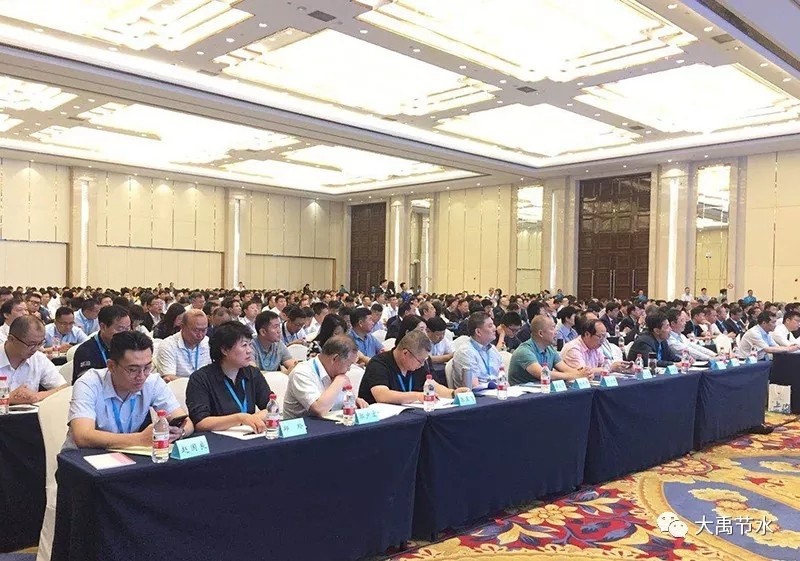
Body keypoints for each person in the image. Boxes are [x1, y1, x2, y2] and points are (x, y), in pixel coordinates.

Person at [64, 330, 193, 449]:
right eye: (133, 370)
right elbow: (83, 436)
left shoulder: (152, 382)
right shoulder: (88, 384)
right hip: (83, 458)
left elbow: (187, 423)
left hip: (126, 454)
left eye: (147, 368)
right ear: (111, 366)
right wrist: (139, 439)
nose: (141, 376)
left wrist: (179, 432)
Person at [186, 321, 273, 433]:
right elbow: (201, 423)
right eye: (244, 345)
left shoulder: (252, 373)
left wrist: (253, 418)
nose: (249, 351)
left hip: (249, 435)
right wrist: (240, 418)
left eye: (250, 345)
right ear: (224, 350)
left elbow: (271, 406)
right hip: (217, 439)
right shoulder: (200, 379)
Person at [359, 330, 468, 404]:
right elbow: (382, 395)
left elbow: (432, 385)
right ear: (405, 353)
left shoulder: (417, 365)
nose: (422, 364)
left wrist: (453, 393)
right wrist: (418, 396)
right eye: (420, 361)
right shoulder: (378, 363)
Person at [283, 336, 369, 419]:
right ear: (335, 358)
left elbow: (343, 402)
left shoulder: (336, 374)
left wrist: (354, 402)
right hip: (304, 427)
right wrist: (339, 382)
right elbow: (319, 410)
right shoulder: (302, 373)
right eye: (348, 365)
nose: (349, 369)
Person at [2, 316, 68, 405]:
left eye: (40, 343)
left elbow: (64, 388)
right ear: (12, 339)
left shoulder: (38, 358)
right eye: (31, 344)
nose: (36, 349)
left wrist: (38, 396)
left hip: (29, 413)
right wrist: (8, 398)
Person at [509, 315, 588, 385]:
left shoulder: (550, 349)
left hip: (543, 392)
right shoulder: (524, 351)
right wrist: (576, 375)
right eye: (553, 328)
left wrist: (583, 373)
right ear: (541, 333)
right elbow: (543, 374)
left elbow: (566, 369)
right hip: (523, 395)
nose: (556, 332)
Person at [72, 305, 131, 383]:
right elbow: (87, 383)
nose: (125, 334)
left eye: (128, 328)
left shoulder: (130, 346)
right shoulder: (86, 351)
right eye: (120, 329)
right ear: (103, 327)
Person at [154, 309, 211, 381]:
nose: (200, 335)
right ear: (182, 326)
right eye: (196, 330)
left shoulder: (207, 342)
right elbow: (168, 378)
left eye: (204, 330)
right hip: (179, 387)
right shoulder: (168, 345)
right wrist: (197, 384)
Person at [560, 318, 631, 375]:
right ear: (587, 334)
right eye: (600, 336)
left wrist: (622, 367)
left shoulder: (595, 347)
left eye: (604, 337)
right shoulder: (573, 348)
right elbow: (583, 372)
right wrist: (610, 368)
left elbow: (604, 364)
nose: (602, 340)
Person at [451, 311, 503, 388]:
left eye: (493, 324)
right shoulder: (465, 352)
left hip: (497, 392)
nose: (495, 328)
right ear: (478, 332)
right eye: (490, 326)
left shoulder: (493, 350)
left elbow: (503, 378)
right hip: (478, 394)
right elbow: (474, 387)